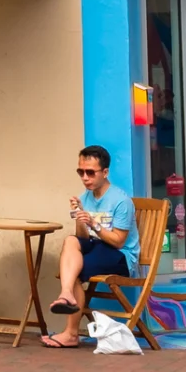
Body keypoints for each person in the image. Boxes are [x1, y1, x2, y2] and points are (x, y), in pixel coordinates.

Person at [42, 144, 138, 349]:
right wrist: (80, 216)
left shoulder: (121, 201)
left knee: (75, 271)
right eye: (81, 172)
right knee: (70, 241)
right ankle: (66, 293)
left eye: (90, 172)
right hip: (96, 247)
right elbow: (82, 238)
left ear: (105, 172)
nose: (85, 178)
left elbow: (118, 241)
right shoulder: (85, 197)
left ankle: (71, 333)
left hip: (120, 255)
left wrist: (94, 224)